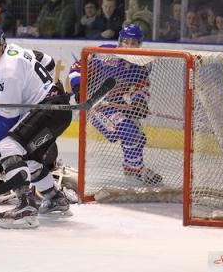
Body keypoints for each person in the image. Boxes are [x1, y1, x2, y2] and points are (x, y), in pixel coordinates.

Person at [0, 23, 73, 229]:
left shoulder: (6, 71)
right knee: (27, 158)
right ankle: (55, 198)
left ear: (1, 43)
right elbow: (48, 61)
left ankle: (25, 206)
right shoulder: (15, 49)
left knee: (7, 148)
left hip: (48, 111)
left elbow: (8, 117)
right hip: (56, 109)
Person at [68, 23, 163, 186]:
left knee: (138, 138)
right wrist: (78, 89)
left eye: (134, 43)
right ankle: (136, 170)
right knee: (128, 130)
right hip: (96, 105)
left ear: (139, 45)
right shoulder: (105, 54)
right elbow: (77, 68)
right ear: (120, 41)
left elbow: (141, 87)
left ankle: (132, 168)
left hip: (115, 104)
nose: (129, 46)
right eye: (126, 41)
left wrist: (139, 102)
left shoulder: (142, 64)